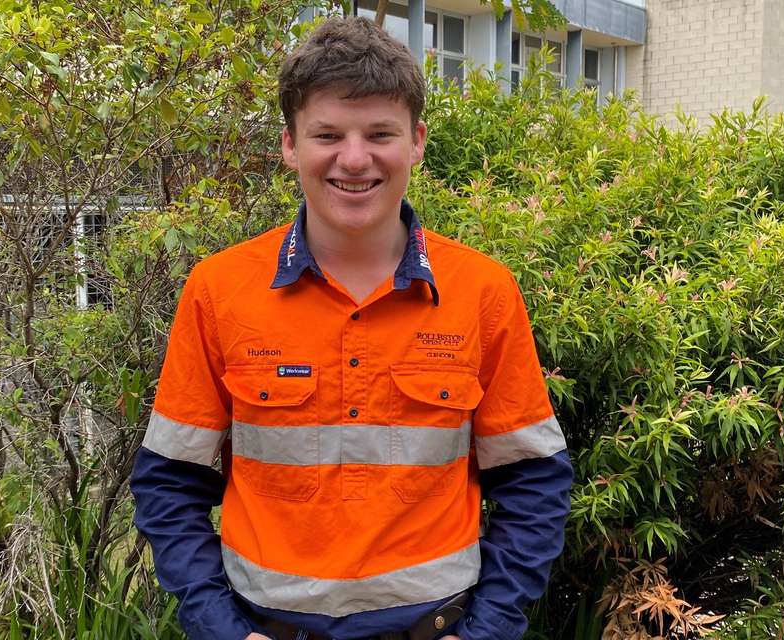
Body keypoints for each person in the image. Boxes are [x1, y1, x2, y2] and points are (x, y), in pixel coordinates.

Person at [130, 16, 573, 640]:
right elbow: (169, 481)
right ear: (290, 145)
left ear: (416, 142)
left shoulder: (482, 292)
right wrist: (220, 628)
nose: (356, 158)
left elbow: (533, 481)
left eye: (380, 133)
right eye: (328, 134)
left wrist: (489, 629)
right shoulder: (219, 289)